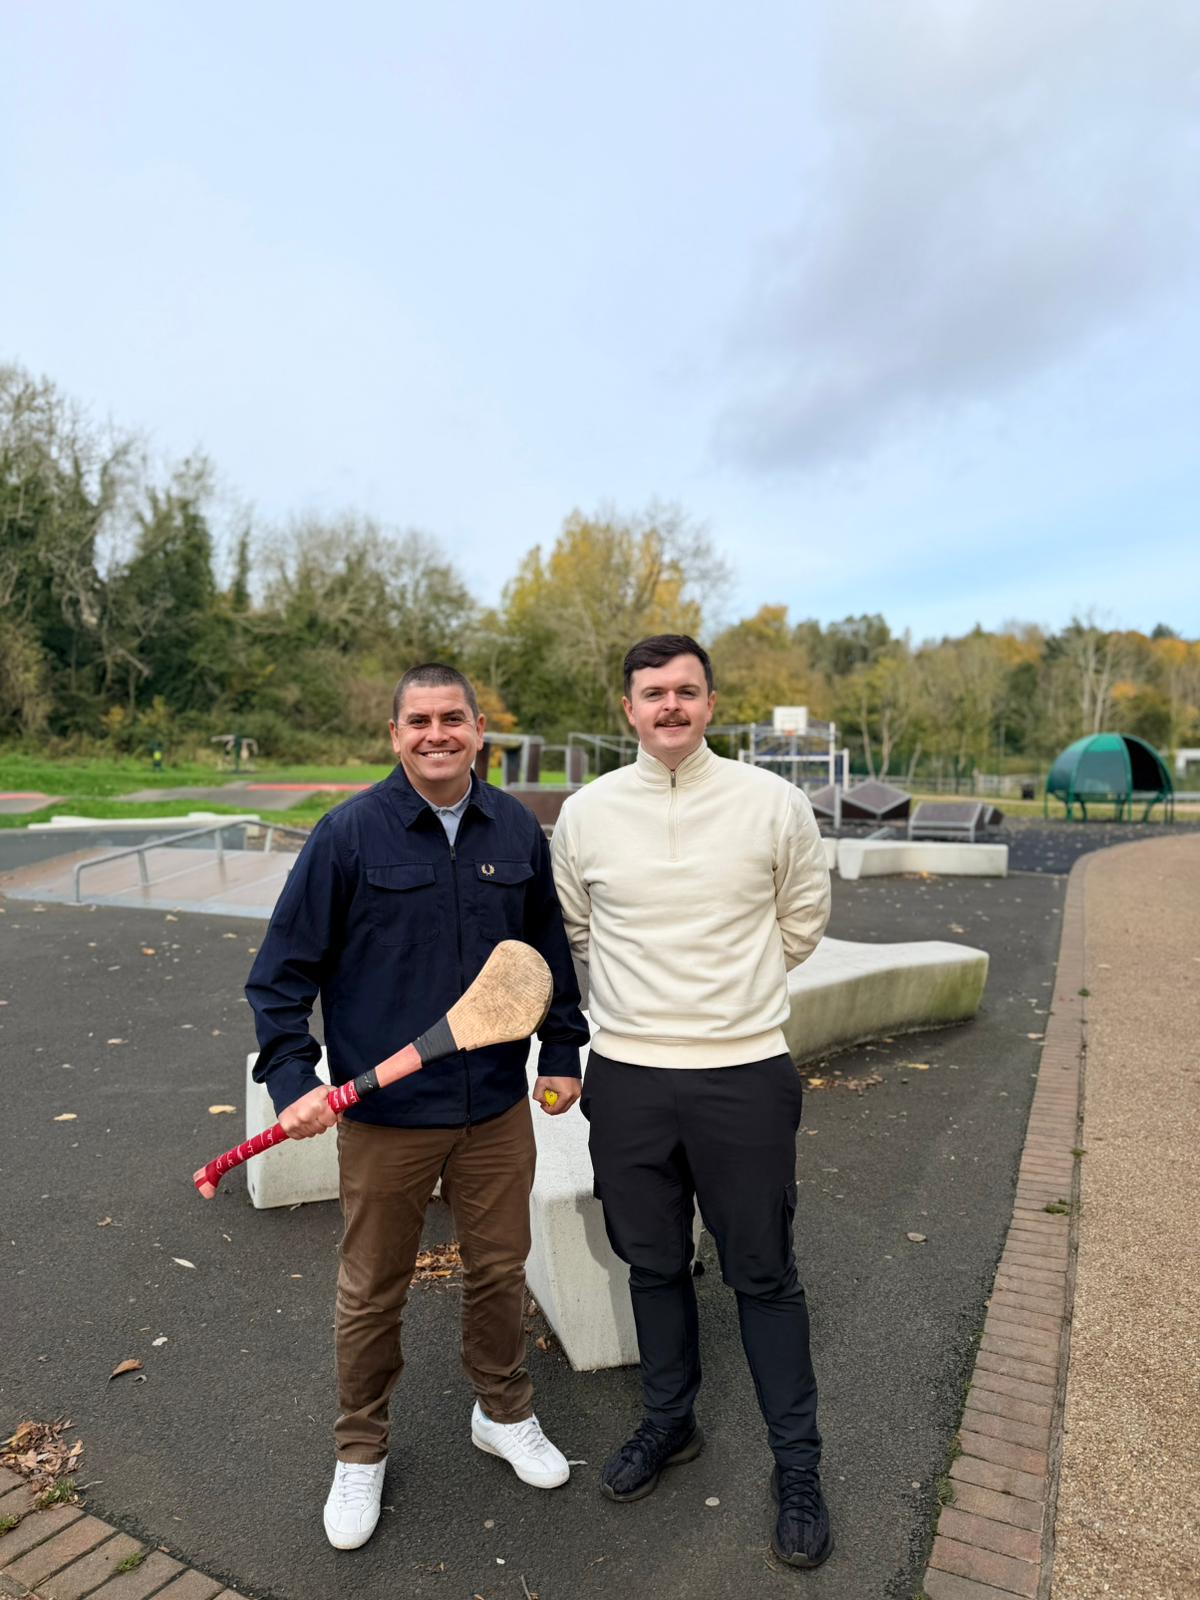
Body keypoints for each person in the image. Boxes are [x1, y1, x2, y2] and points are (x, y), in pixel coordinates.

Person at [247, 663, 588, 1551]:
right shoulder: (350, 833)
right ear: (394, 735)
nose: (436, 734)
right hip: (389, 1121)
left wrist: (559, 1050)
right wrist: (293, 1083)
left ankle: (502, 1413)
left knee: (499, 1271)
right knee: (371, 1292)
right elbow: (281, 976)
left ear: (480, 729)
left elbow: (543, 954)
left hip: (495, 1113)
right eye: (418, 722)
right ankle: (360, 1451)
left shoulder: (515, 827)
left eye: (453, 720)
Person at [550, 634, 834, 1570]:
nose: (669, 706)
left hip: (743, 1072)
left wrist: (731, 1001)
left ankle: (798, 1466)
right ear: (626, 709)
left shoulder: (772, 804)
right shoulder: (587, 815)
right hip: (627, 1077)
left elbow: (802, 921)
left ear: (712, 704)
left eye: (685, 691)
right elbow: (580, 932)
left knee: (763, 1273)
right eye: (651, 693)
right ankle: (671, 1422)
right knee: (654, 1265)